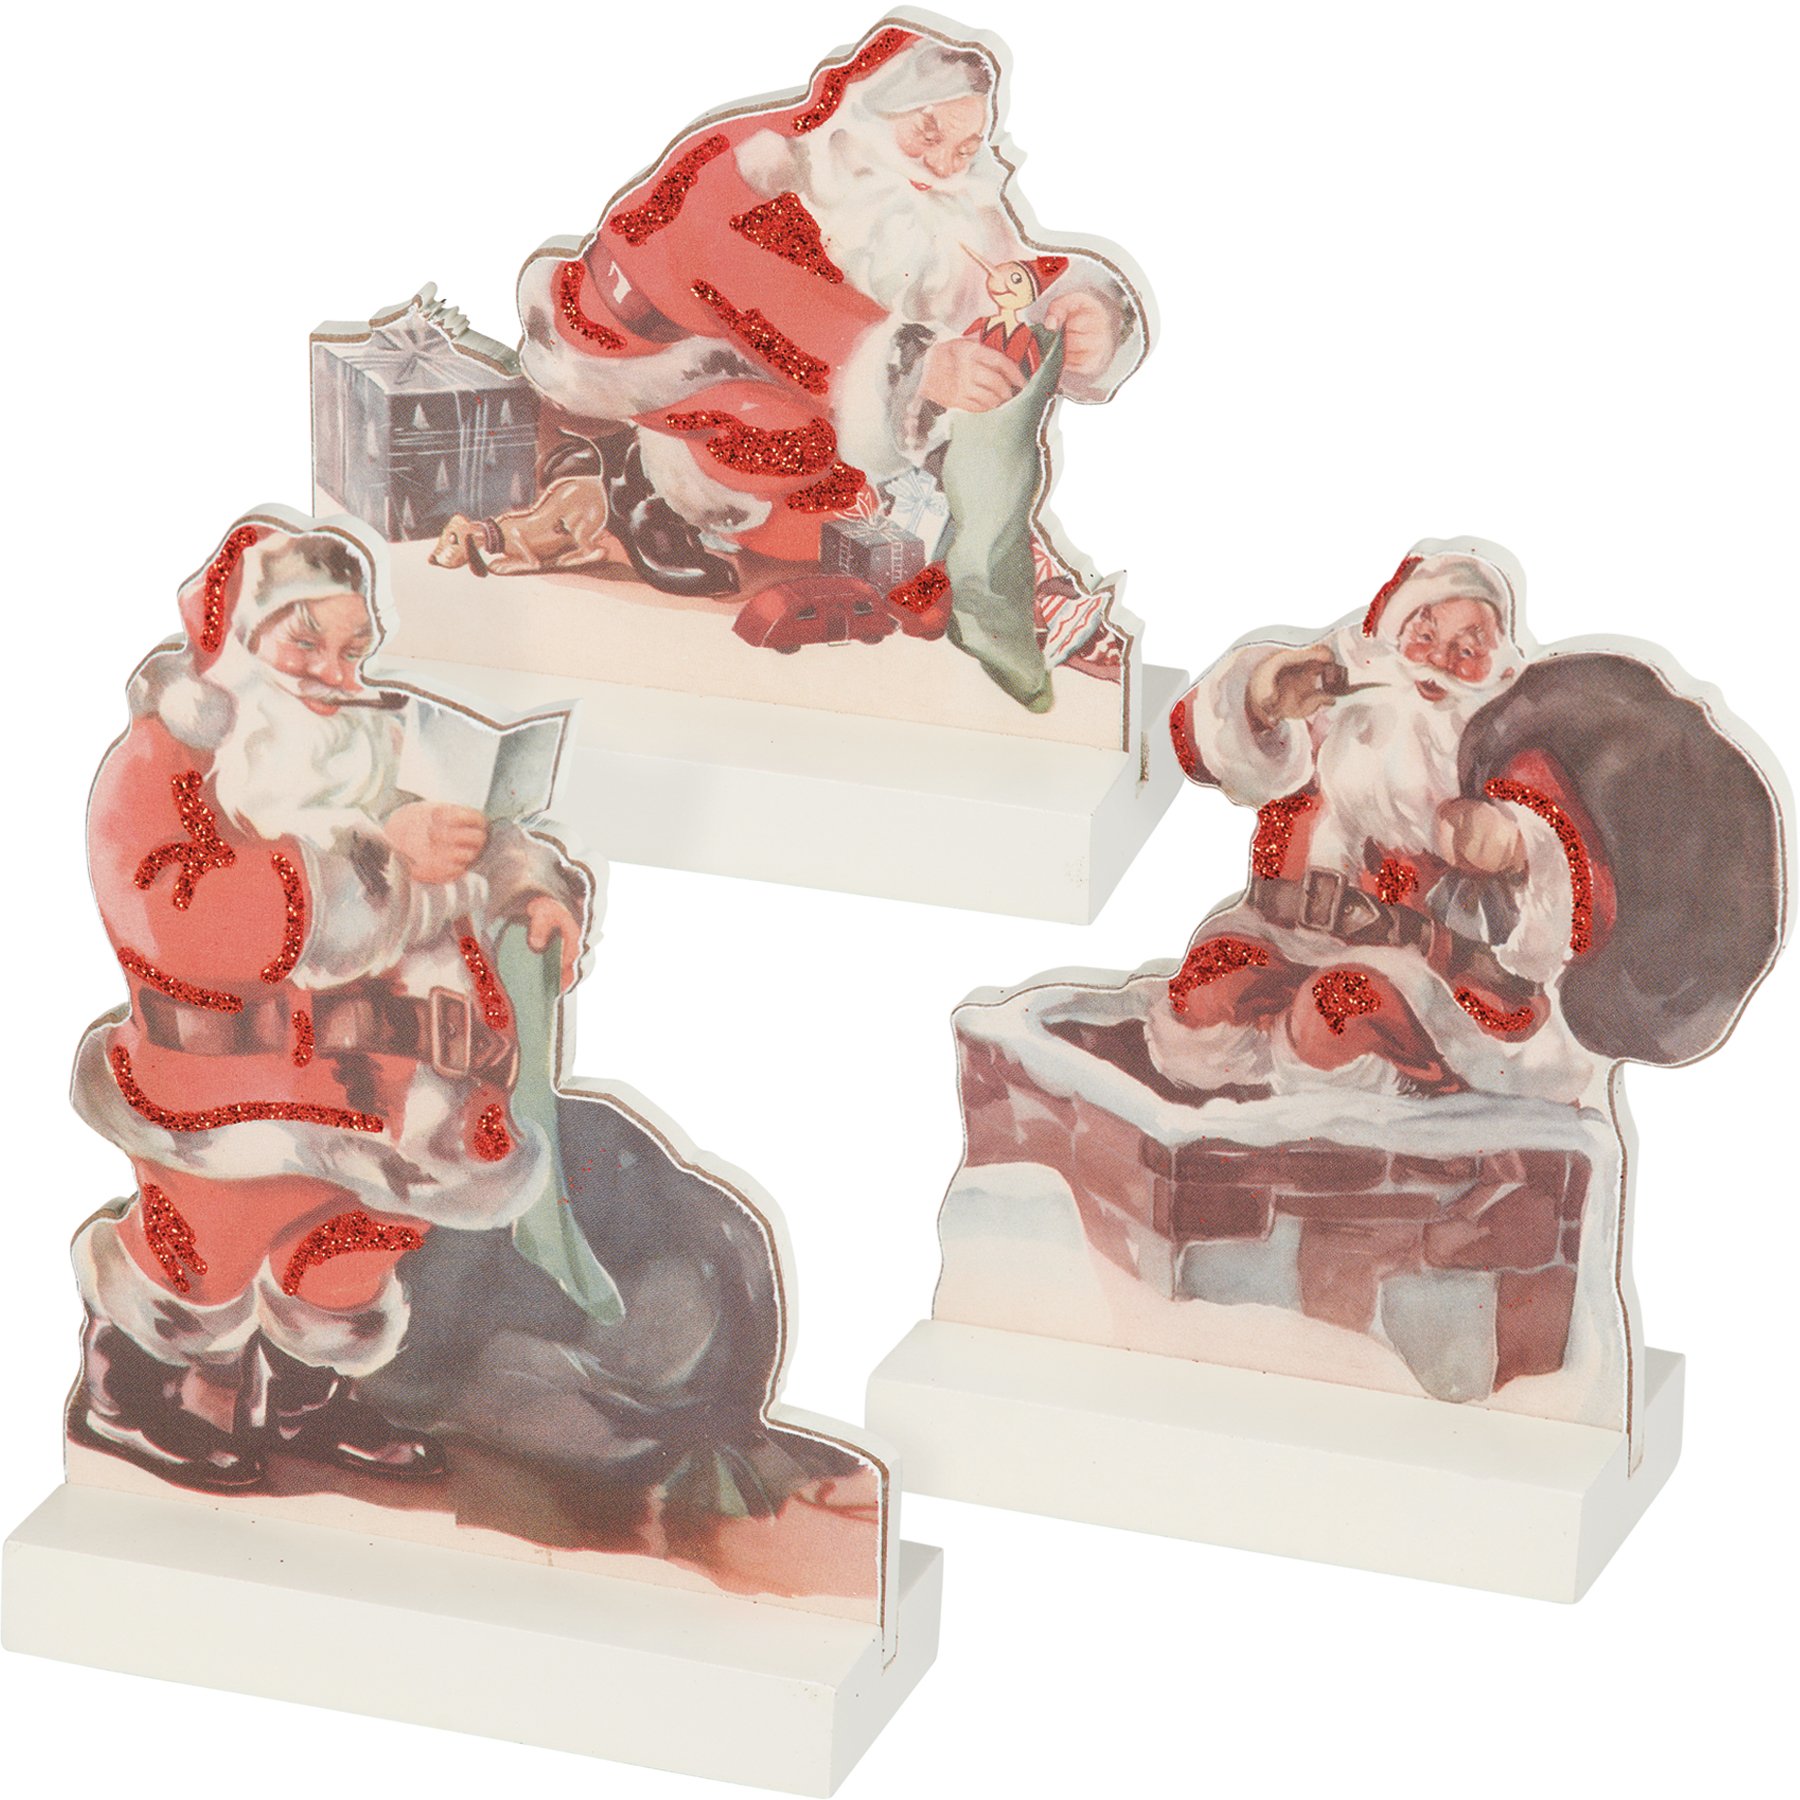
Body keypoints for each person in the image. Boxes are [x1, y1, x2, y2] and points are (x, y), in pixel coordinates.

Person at [70, 519, 586, 1490]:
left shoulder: (371, 748)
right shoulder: (160, 770)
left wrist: (529, 887)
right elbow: (181, 917)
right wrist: (379, 863)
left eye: (352, 649)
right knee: (204, 1254)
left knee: (353, 1251)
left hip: (386, 1093)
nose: (334, 674)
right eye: (304, 643)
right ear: (237, 642)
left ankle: (307, 1400)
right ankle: (136, 1394)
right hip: (231, 1092)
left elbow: (476, 835)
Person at [515, 22, 1143, 601]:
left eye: (965, 149)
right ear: (870, 107)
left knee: (852, 510)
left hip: (792, 371)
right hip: (649, 354)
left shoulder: (923, 201)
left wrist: (1076, 311)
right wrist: (918, 366)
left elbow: (989, 271)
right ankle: (643, 481)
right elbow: (770, 297)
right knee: (794, 448)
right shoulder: (755, 168)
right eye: (927, 133)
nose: (942, 165)